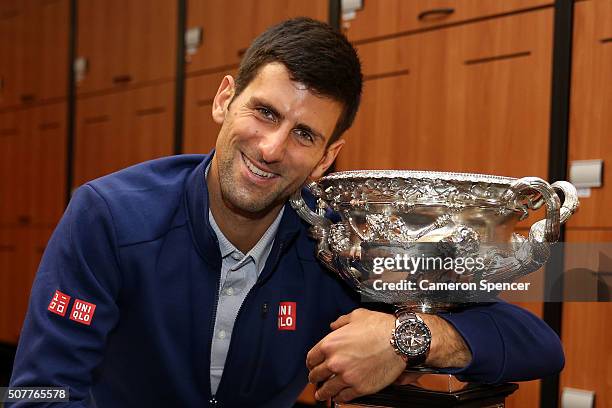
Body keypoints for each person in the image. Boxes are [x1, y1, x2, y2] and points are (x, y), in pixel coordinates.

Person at [9, 17, 563, 407]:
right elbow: (39, 391)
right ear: (225, 98)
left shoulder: (342, 243)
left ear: (328, 158)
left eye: (303, 134)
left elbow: (538, 344)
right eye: (264, 112)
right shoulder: (108, 217)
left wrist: (408, 337)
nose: (272, 148)